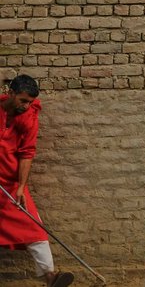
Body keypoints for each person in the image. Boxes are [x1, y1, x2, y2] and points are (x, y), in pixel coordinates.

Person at [0, 74, 74, 287]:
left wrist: (21, 188)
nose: (27, 106)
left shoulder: (30, 118)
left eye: (30, 102)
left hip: (10, 185)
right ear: (11, 93)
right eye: (23, 100)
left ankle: (51, 278)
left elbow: (27, 153)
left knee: (35, 229)